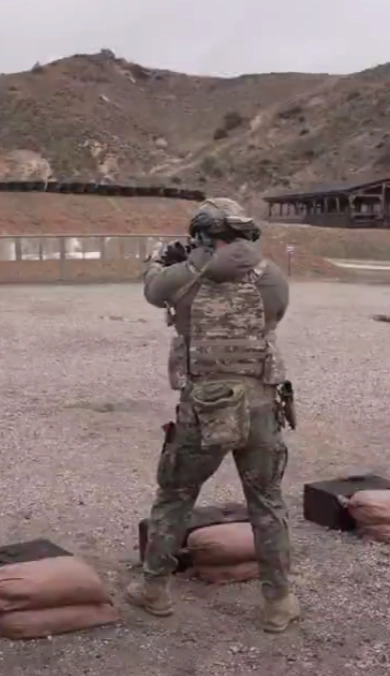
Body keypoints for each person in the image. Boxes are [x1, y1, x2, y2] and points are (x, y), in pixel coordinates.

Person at [125, 198, 298, 633]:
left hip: (204, 408)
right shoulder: (273, 276)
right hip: (261, 404)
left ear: (203, 235)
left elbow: (153, 291)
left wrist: (161, 261)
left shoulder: (182, 277)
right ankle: (278, 602)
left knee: (176, 496)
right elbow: (275, 315)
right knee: (267, 502)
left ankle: (154, 588)